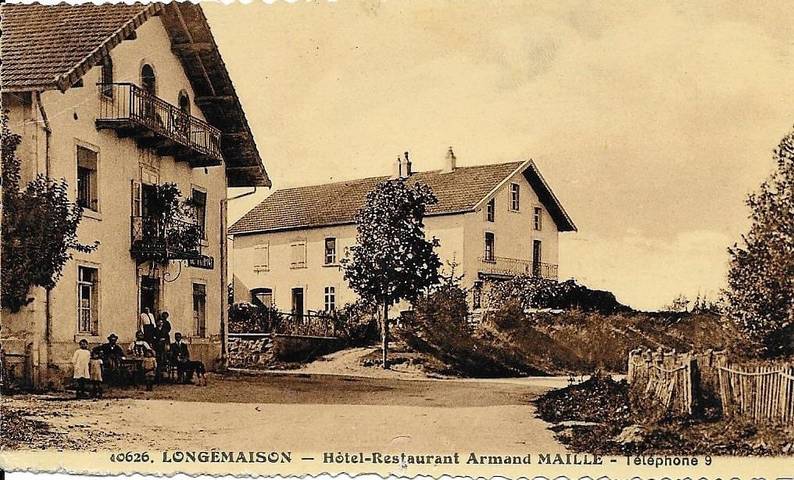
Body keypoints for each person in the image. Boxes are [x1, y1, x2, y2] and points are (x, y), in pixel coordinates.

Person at [153, 312, 172, 381]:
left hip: (163, 346)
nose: (160, 323)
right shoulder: (155, 330)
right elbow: (154, 338)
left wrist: (166, 343)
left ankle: (163, 368)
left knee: (163, 357)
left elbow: (167, 339)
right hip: (157, 346)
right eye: (159, 322)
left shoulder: (165, 331)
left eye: (161, 322)